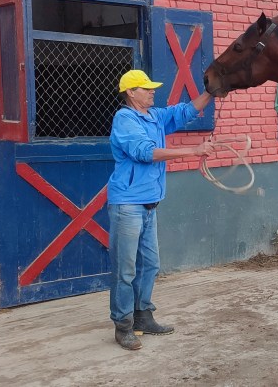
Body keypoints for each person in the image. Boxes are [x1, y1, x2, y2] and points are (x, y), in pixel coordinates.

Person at [107, 69, 214, 350]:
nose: (153, 91)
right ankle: (123, 325)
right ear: (131, 93)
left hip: (150, 205)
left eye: (152, 87)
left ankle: (143, 317)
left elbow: (184, 112)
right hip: (128, 204)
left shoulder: (154, 116)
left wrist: (211, 92)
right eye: (146, 88)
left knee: (150, 264)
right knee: (125, 268)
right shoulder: (125, 119)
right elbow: (144, 152)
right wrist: (193, 151)